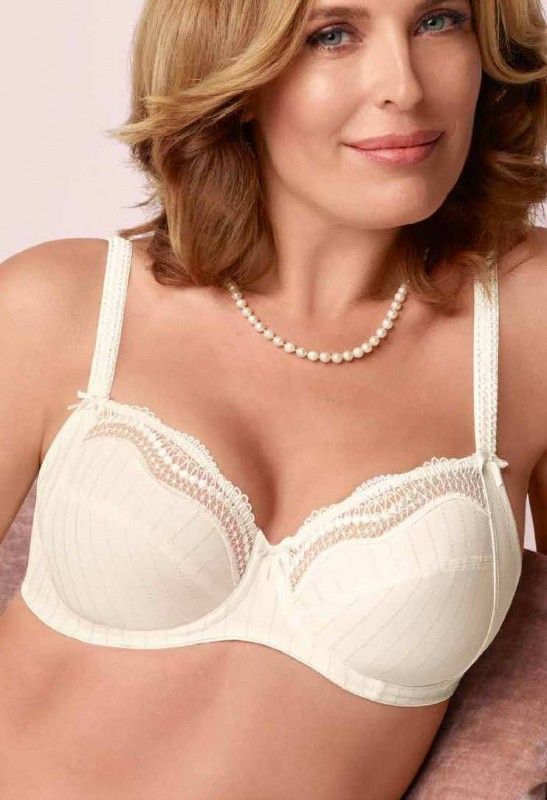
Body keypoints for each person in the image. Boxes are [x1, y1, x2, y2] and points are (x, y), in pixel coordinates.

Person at [0, 0, 546, 798]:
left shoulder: (526, 325)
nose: (403, 86)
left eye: (438, 22)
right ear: (233, 72)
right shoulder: (61, 307)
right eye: (331, 35)